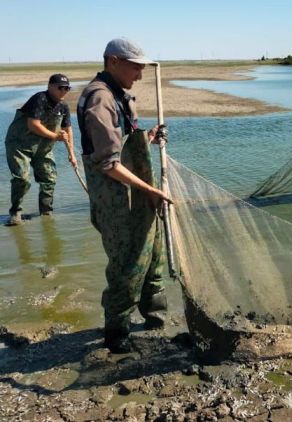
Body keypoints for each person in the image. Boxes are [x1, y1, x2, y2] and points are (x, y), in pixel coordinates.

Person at [77, 38, 172, 353]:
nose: (141, 75)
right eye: (135, 67)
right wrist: (150, 189)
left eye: (144, 68)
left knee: (153, 262)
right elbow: (108, 163)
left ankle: (157, 323)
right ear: (113, 61)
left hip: (140, 200)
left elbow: (125, 142)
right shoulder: (98, 99)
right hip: (119, 203)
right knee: (127, 268)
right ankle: (117, 337)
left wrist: (149, 137)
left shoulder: (119, 94)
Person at [4, 74, 78, 226]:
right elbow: (33, 124)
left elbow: (68, 130)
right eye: (61, 88)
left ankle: (46, 212)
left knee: (49, 179)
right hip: (20, 145)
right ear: (50, 86)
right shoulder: (40, 99)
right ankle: (16, 212)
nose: (64, 91)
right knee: (22, 179)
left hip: (43, 148)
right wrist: (55, 136)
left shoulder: (63, 106)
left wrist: (72, 153)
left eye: (67, 88)